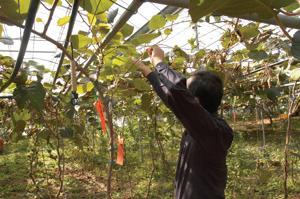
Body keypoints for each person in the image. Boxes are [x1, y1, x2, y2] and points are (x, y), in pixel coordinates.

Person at [132, 45, 233, 199]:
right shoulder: (200, 126)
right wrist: (145, 70)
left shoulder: (216, 132)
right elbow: (171, 97)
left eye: (186, 92)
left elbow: (176, 93)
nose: (183, 94)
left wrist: (159, 62)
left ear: (195, 102)